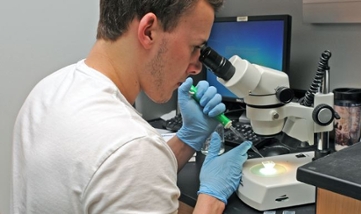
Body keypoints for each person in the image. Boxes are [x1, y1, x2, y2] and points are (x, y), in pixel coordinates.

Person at [12, 0, 252, 213]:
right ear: (148, 31)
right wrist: (211, 199)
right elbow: (129, 162)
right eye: (195, 48)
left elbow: (112, 182)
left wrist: (189, 139)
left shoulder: (48, 90)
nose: (197, 67)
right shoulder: (133, 149)